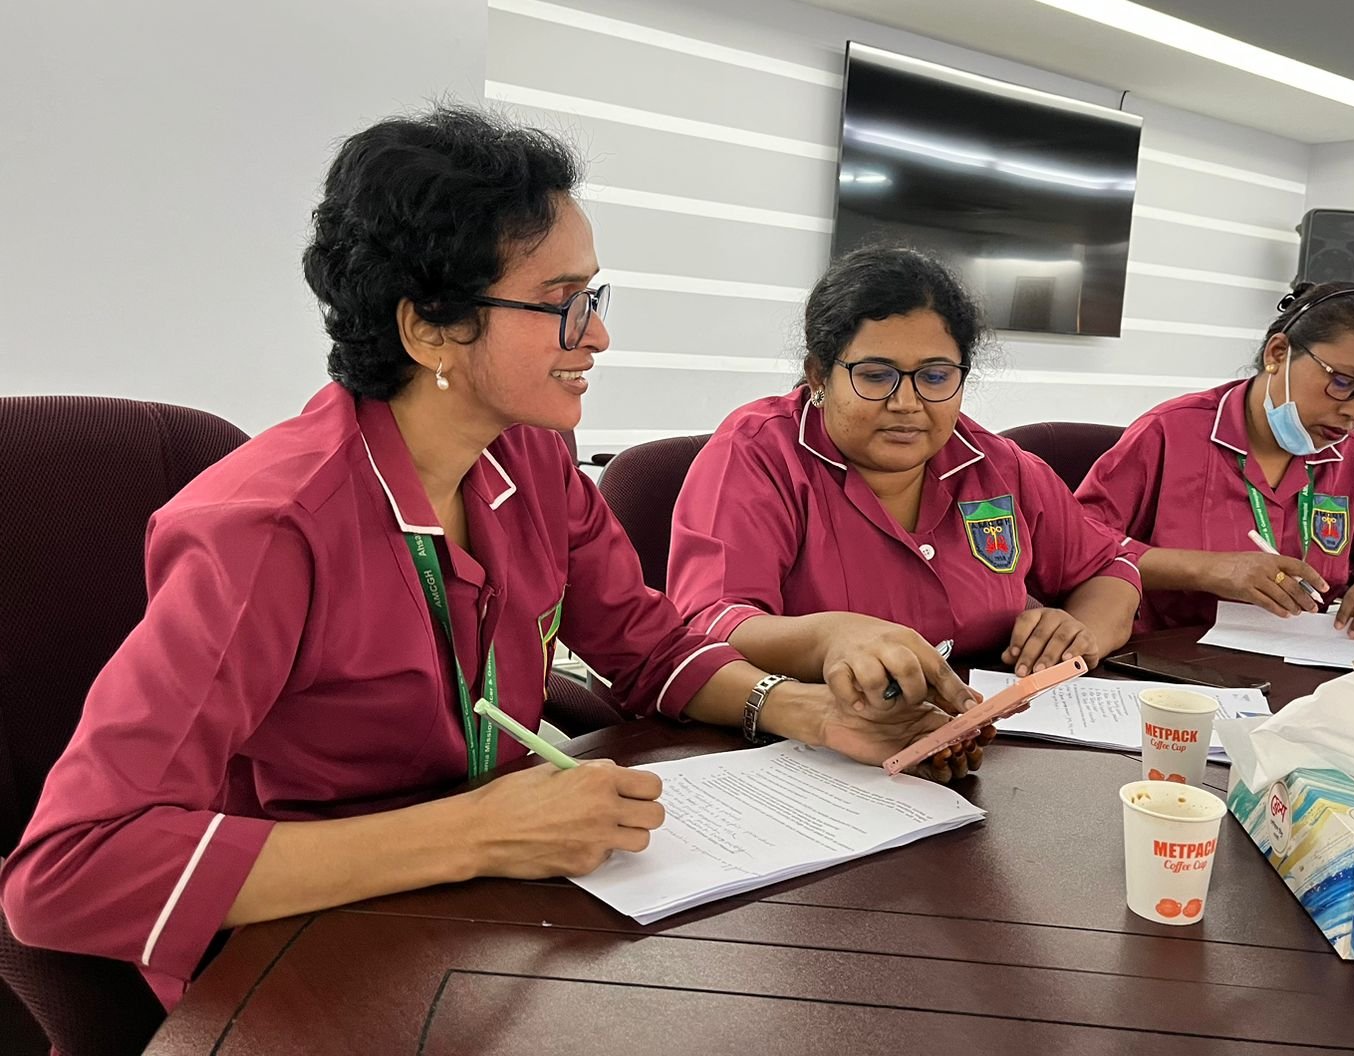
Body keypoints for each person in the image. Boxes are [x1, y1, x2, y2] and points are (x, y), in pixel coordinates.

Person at [0, 110, 963, 1004]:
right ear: (428, 328)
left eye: (593, 296)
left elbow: (646, 646)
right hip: (305, 959)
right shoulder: (268, 527)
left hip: (492, 928)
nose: (598, 334)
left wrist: (804, 714)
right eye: (560, 303)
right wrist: (480, 832)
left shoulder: (531, 457)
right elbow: (68, 872)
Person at [667, 246, 1143, 716]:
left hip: (986, 739)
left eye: (935, 377)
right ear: (818, 375)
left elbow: (1111, 567)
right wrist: (830, 636)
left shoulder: (996, 465)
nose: (907, 403)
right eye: (877, 375)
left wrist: (1078, 636)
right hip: (808, 741)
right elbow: (713, 622)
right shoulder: (758, 454)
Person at [1077, 282, 1354, 636]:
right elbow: (1080, 545)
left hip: (1304, 670)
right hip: (1171, 664)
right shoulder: (1171, 433)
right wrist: (1209, 570)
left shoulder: (1352, 457)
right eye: (1343, 383)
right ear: (1278, 353)